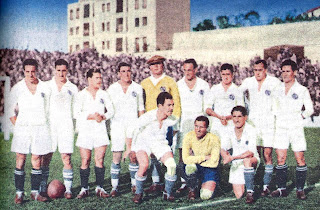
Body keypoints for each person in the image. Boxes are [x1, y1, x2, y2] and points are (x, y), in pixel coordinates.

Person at [9, 59, 51, 203]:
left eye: (33, 71)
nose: (30, 74)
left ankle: (35, 192)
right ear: (23, 71)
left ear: (37, 70)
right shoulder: (17, 88)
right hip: (23, 129)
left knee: (37, 160)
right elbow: (9, 110)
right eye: (27, 72)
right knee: (20, 159)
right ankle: (19, 193)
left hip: (40, 127)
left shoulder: (45, 87)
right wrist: (19, 126)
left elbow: (48, 110)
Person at [271, 59, 314, 200]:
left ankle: (300, 189)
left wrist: (299, 117)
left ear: (294, 72)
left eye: (288, 71)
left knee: (299, 158)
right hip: (281, 128)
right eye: (282, 71)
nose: (285, 74)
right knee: (280, 158)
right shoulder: (276, 90)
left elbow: (310, 109)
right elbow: (273, 108)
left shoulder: (302, 90)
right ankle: (281, 189)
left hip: (296, 128)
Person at [239, 59, 281, 196]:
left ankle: (266, 185)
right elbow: (238, 92)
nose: (257, 73)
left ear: (265, 70)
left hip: (268, 122)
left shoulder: (274, 82)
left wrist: (277, 115)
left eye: (260, 70)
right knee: (254, 153)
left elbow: (281, 98)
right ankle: (255, 181)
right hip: (253, 123)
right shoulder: (248, 82)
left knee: (267, 153)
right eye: (255, 70)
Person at [140, 55, 181, 193]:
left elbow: (177, 104)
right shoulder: (144, 83)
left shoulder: (170, 81)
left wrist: (174, 125)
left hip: (166, 124)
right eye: (153, 64)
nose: (156, 66)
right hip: (150, 124)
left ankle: (169, 183)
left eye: (159, 64)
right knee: (152, 154)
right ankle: (156, 182)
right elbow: (141, 104)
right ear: (149, 67)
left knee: (168, 153)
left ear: (163, 65)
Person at [39, 59, 78, 199]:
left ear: (67, 71)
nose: (61, 73)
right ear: (54, 70)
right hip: (50, 126)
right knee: (46, 157)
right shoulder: (46, 86)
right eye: (59, 70)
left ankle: (68, 190)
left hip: (66, 126)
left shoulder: (72, 88)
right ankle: (42, 188)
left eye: (64, 70)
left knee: (66, 158)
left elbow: (76, 111)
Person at [74, 69, 114, 199]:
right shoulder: (81, 95)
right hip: (86, 130)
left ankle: (100, 187)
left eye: (100, 78)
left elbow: (112, 111)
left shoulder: (104, 94)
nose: (100, 80)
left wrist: (103, 116)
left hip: (100, 130)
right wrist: (92, 116)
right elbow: (76, 113)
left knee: (100, 160)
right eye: (97, 78)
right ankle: (84, 188)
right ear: (89, 79)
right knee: (85, 160)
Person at [131, 92, 178, 204]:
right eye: (168, 105)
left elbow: (174, 135)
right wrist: (131, 149)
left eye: (172, 105)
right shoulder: (148, 117)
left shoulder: (173, 119)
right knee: (144, 165)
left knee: (172, 166)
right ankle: (139, 193)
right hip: (144, 142)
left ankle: (167, 193)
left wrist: (170, 151)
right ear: (160, 106)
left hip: (160, 143)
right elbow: (133, 130)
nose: (171, 108)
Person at [107, 62, 145, 196]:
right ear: (118, 73)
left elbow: (141, 109)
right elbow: (108, 109)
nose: (126, 73)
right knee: (116, 156)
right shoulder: (112, 89)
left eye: (128, 71)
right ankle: (114, 187)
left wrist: (142, 127)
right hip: (117, 125)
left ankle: (134, 185)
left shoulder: (138, 88)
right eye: (123, 71)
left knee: (133, 156)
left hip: (133, 124)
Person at [176, 59, 210, 193]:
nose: (187, 73)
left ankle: (198, 182)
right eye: (184, 70)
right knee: (183, 154)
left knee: (199, 153)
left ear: (195, 69)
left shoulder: (204, 85)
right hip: (184, 123)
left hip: (199, 124)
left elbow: (207, 107)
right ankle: (184, 183)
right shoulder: (178, 85)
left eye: (189, 70)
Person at [221, 106, 260, 204]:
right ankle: (249, 181)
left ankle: (250, 192)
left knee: (247, 161)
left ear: (245, 117)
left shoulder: (251, 129)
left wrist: (232, 157)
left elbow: (250, 152)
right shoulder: (229, 130)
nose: (236, 119)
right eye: (234, 116)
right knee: (239, 195)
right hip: (236, 162)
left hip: (251, 159)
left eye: (239, 116)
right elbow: (223, 148)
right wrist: (225, 156)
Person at [182, 116, 220, 200]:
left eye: (201, 127)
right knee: (190, 167)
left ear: (206, 128)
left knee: (205, 196)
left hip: (209, 169)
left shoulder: (214, 138)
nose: (198, 129)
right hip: (198, 166)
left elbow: (214, 162)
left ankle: (212, 184)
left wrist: (195, 159)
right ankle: (192, 189)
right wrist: (205, 157)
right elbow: (185, 159)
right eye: (196, 126)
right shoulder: (188, 136)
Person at [205, 63, 243, 138]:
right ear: (220, 74)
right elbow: (207, 109)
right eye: (223, 74)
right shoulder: (215, 89)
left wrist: (227, 118)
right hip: (217, 125)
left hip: (232, 125)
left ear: (232, 74)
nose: (226, 77)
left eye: (228, 74)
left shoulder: (237, 90)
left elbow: (241, 111)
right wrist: (219, 117)